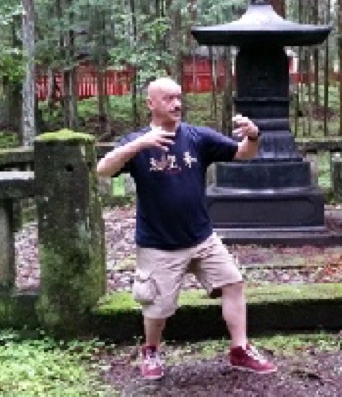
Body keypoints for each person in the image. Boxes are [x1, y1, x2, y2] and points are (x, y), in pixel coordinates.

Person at [96, 76, 276, 380]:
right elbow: (103, 170)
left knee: (233, 283)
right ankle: (151, 351)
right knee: (156, 308)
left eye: (179, 97)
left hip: (201, 237)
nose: (177, 104)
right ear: (150, 103)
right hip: (158, 243)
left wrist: (254, 135)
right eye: (167, 98)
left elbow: (244, 153)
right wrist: (141, 145)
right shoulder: (136, 142)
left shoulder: (197, 137)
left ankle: (240, 349)